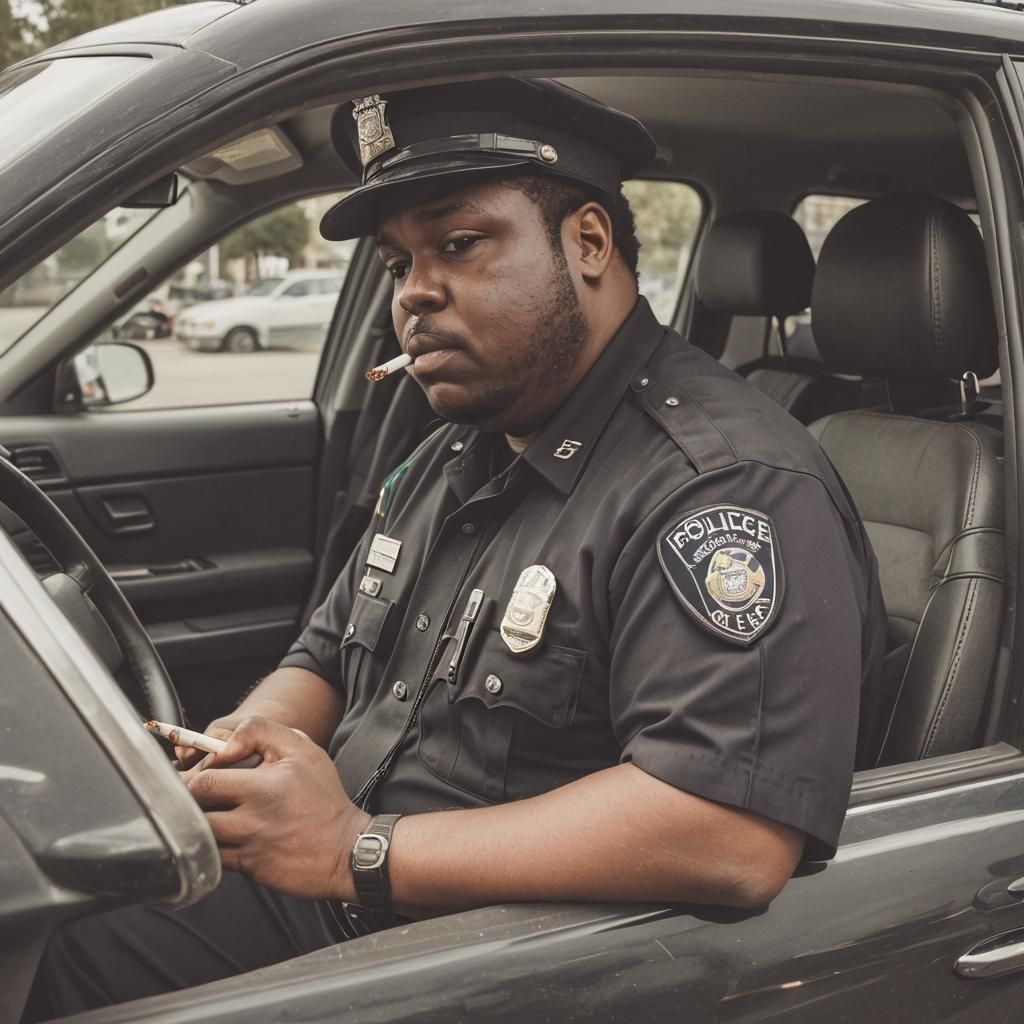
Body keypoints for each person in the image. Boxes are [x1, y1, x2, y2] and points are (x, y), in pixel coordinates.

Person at [26, 77, 886, 1017]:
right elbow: (326, 651)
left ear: (588, 243)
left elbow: (730, 836)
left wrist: (355, 847)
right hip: (345, 893)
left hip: (485, 956)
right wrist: (246, 743)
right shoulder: (457, 446)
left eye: (460, 243)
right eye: (399, 263)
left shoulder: (722, 485)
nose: (415, 294)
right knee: (48, 924)